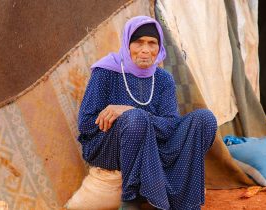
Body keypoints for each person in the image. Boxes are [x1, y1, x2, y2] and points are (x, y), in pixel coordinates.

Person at [77, 15, 217, 210]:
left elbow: (170, 125)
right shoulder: (106, 72)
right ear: (127, 44)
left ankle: (183, 199)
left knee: (205, 119)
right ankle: (131, 199)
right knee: (135, 119)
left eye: (152, 43)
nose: (145, 50)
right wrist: (124, 120)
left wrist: (130, 111)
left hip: (156, 145)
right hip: (109, 147)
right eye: (138, 42)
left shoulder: (163, 79)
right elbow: (85, 124)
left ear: (159, 48)